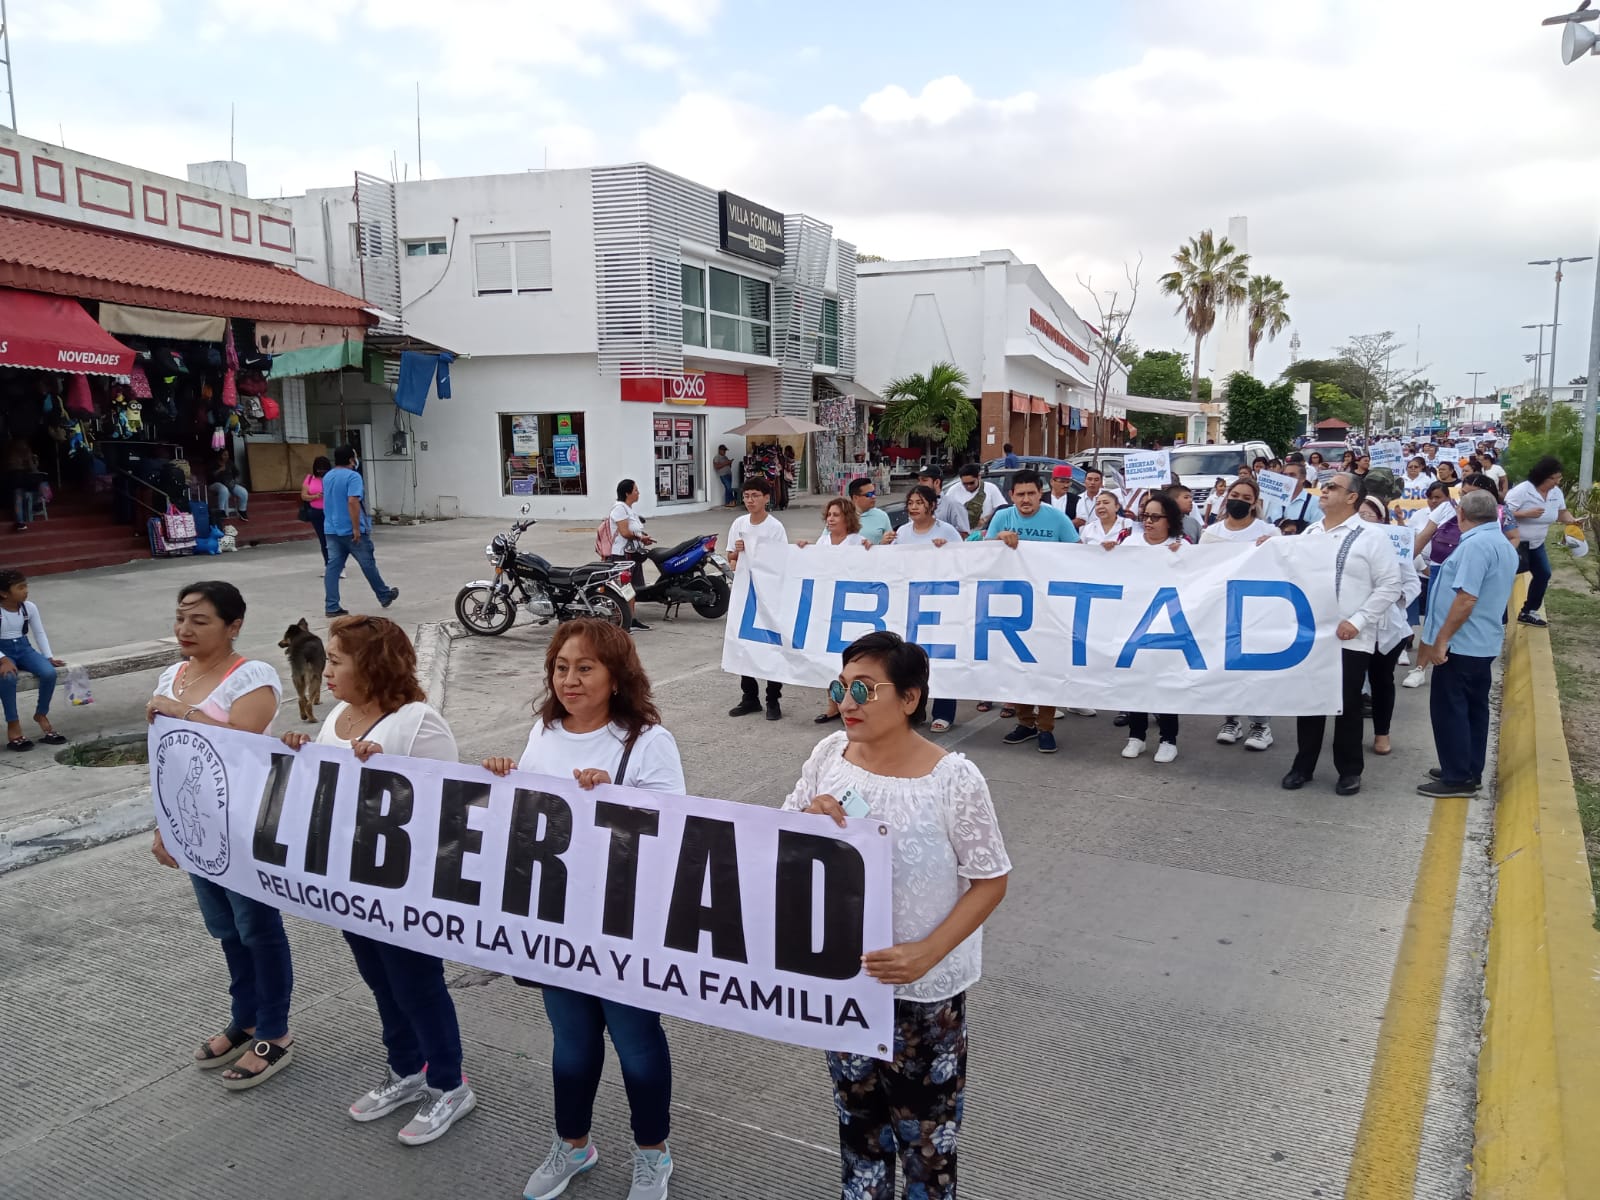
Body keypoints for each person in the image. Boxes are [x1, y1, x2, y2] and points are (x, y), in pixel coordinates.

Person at [783, 631, 1010, 1200]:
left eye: (864, 688)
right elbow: (781, 832)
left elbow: (990, 878)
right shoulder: (828, 755)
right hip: (845, 982)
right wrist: (811, 815)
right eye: (841, 687)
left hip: (923, 996)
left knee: (926, 1142)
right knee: (858, 1126)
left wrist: (928, 952)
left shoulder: (952, 779)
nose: (848, 701)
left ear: (910, 699)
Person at [485, 619, 683, 1200]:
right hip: (554, 917)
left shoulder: (647, 741)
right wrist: (505, 778)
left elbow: (675, 830)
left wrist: (617, 800)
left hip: (622, 922)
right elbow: (525, 817)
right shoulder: (544, 731)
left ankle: (653, 1153)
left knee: (635, 1039)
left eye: (586, 668)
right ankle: (573, 1144)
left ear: (617, 676)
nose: (569, 679)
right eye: (562, 666)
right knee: (570, 1040)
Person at [280, 616, 475, 1144]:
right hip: (349, 881)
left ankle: (450, 1085)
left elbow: (447, 808)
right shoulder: (339, 717)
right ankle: (406, 1071)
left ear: (372, 665)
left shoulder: (416, 723)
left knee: (417, 984)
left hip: (403, 886)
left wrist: (392, 776)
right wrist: (302, 754)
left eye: (337, 661)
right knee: (381, 981)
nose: (326, 672)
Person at [146, 581, 295, 1088]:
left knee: (257, 928)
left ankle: (274, 1033)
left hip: (246, 828)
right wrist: (164, 825)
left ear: (234, 627)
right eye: (181, 617)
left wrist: (181, 712)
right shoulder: (174, 675)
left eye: (200, 620)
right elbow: (167, 762)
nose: (185, 629)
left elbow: (243, 744)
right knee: (225, 929)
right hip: (195, 830)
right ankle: (244, 1019)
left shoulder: (251, 675)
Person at [1281, 473, 1404, 796]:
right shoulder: (1311, 533)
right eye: (1325, 486)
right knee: (1309, 701)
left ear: (1352, 497)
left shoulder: (1371, 536)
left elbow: (1391, 584)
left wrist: (1359, 620)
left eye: (1333, 487)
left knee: (1346, 703)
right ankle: (1302, 765)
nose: (1324, 491)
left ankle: (1349, 770)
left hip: (1350, 636)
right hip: (1312, 634)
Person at [1416, 490, 1519, 797]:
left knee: (1450, 710)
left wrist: (1441, 640)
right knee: (1473, 710)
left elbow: (1466, 598)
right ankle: (1466, 768)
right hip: (1482, 642)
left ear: (1461, 514)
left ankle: (1457, 776)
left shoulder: (1476, 546)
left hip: (1461, 644)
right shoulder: (1503, 543)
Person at [986, 469, 1080, 754]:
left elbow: (1079, 553)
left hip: (1048, 606)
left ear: (1041, 493)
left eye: (1031, 493)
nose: (1026, 499)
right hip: (1013, 605)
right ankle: (1025, 722)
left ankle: (1046, 727)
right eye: (1020, 494)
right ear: (1011, 495)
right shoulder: (1002, 517)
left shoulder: (1057, 518)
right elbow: (981, 554)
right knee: (1019, 665)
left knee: (1045, 666)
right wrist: (997, 538)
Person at [1103, 491, 1188, 762]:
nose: (1148, 522)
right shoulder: (1129, 541)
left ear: (1170, 520)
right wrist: (1106, 554)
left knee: (1164, 681)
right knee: (1135, 679)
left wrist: (1183, 556)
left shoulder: (1181, 545)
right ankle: (1136, 735)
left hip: (1168, 624)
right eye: (1145, 516)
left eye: (1155, 517)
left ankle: (1168, 739)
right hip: (1132, 622)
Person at [1199, 480, 1279, 751]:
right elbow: (1200, 570)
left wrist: (1273, 547)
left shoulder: (1269, 532)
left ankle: (1260, 724)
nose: (1239, 500)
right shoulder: (1211, 533)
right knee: (1228, 665)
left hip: (1257, 609)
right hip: (1222, 608)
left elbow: (1282, 567)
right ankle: (1231, 719)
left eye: (1246, 497)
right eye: (1234, 495)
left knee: (1255, 667)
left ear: (1254, 502)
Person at [892, 486, 964, 732]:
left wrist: (947, 550)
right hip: (911, 603)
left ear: (932, 505)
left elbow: (964, 562)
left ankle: (944, 712)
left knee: (942, 656)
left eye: (919, 502)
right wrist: (881, 547)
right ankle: (917, 708)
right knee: (911, 657)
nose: (913, 507)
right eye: (910, 502)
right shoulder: (902, 532)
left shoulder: (947, 531)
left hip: (940, 601)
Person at [1356, 496, 1421, 757]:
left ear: (1382, 520)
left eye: (1369, 515)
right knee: (1351, 683)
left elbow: (1412, 584)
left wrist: (1390, 596)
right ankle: (1350, 736)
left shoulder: (1397, 548)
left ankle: (1382, 733)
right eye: (1358, 514)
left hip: (1387, 627)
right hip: (1352, 625)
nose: (1363, 519)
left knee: (1382, 680)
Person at [727, 477, 789, 719]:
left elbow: (782, 560)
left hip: (769, 593)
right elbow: (731, 557)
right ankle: (749, 696)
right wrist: (737, 551)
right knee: (744, 644)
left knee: (771, 645)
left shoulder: (774, 527)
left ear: (766, 497)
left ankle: (773, 698)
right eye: (746, 496)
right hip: (745, 592)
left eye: (755, 495)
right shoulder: (739, 523)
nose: (750, 500)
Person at [323, 446, 400, 618]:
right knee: (367, 564)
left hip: (331, 528)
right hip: (350, 529)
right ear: (351, 459)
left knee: (333, 567)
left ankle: (331, 605)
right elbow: (352, 502)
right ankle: (384, 594)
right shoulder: (353, 476)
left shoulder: (328, 476)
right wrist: (356, 528)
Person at [0, 569, 68, 750]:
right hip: (2, 652)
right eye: (20, 587)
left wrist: (48, 656)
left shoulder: (28, 607)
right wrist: (3, 659)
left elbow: (39, 633)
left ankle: (41, 714)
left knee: (48, 673)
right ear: (4, 593)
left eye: (26, 586)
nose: (26, 591)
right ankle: (13, 724)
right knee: (7, 677)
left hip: (23, 648)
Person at [1505, 455, 1576, 627]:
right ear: (1542, 476)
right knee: (1505, 577)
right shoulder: (1522, 490)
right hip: (1515, 543)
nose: (1556, 482)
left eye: (1559, 478)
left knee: (1543, 574)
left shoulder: (1556, 493)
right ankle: (1495, 611)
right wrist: (1525, 514)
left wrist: (1573, 521)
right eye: (1553, 478)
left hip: (1537, 543)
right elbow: (1503, 513)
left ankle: (1528, 611)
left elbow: (1562, 512)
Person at [608, 479, 656, 633]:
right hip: (623, 555)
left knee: (632, 589)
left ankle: (632, 619)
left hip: (633, 555)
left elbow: (634, 530)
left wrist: (643, 537)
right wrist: (640, 537)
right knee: (624, 589)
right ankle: (624, 620)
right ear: (627, 493)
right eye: (635, 490)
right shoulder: (619, 509)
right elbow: (625, 532)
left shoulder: (629, 509)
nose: (638, 493)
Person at [946, 463, 1005, 532]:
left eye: (971, 483)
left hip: (983, 534)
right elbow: (946, 511)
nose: (968, 486)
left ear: (979, 477)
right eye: (965, 484)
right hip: (961, 535)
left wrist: (985, 520)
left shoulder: (991, 488)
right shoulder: (953, 490)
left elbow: (1001, 510)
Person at [916, 466, 972, 537]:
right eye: (918, 480)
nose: (919, 484)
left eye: (924, 480)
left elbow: (964, 534)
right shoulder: (915, 505)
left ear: (937, 482)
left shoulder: (953, 505)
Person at [1267, 463, 1322, 533]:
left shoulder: (1315, 502)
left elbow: (1319, 530)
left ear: (1303, 478)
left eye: (1292, 475)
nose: (1287, 478)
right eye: (1285, 475)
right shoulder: (1275, 500)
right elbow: (1268, 526)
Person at [300, 455, 333, 568]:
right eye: (319, 469)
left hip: (330, 511)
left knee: (333, 539)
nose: (321, 472)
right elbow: (304, 496)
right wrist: (315, 496)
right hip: (316, 511)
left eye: (324, 469)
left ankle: (339, 565)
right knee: (323, 540)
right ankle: (328, 565)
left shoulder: (331, 478)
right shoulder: (310, 478)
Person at [848, 476, 894, 545]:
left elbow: (891, 544)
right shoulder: (840, 516)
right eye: (869, 494)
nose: (873, 497)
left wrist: (883, 544)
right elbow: (827, 543)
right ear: (855, 498)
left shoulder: (882, 516)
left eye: (874, 493)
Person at [209, 449, 249, 521]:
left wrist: (234, 480)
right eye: (224, 455)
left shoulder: (230, 463)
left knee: (244, 492)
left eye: (227, 455)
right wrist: (220, 470)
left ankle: (242, 510)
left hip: (229, 483)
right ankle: (221, 511)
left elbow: (236, 473)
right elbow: (210, 476)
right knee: (224, 489)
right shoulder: (213, 463)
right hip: (215, 484)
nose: (226, 456)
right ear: (220, 455)